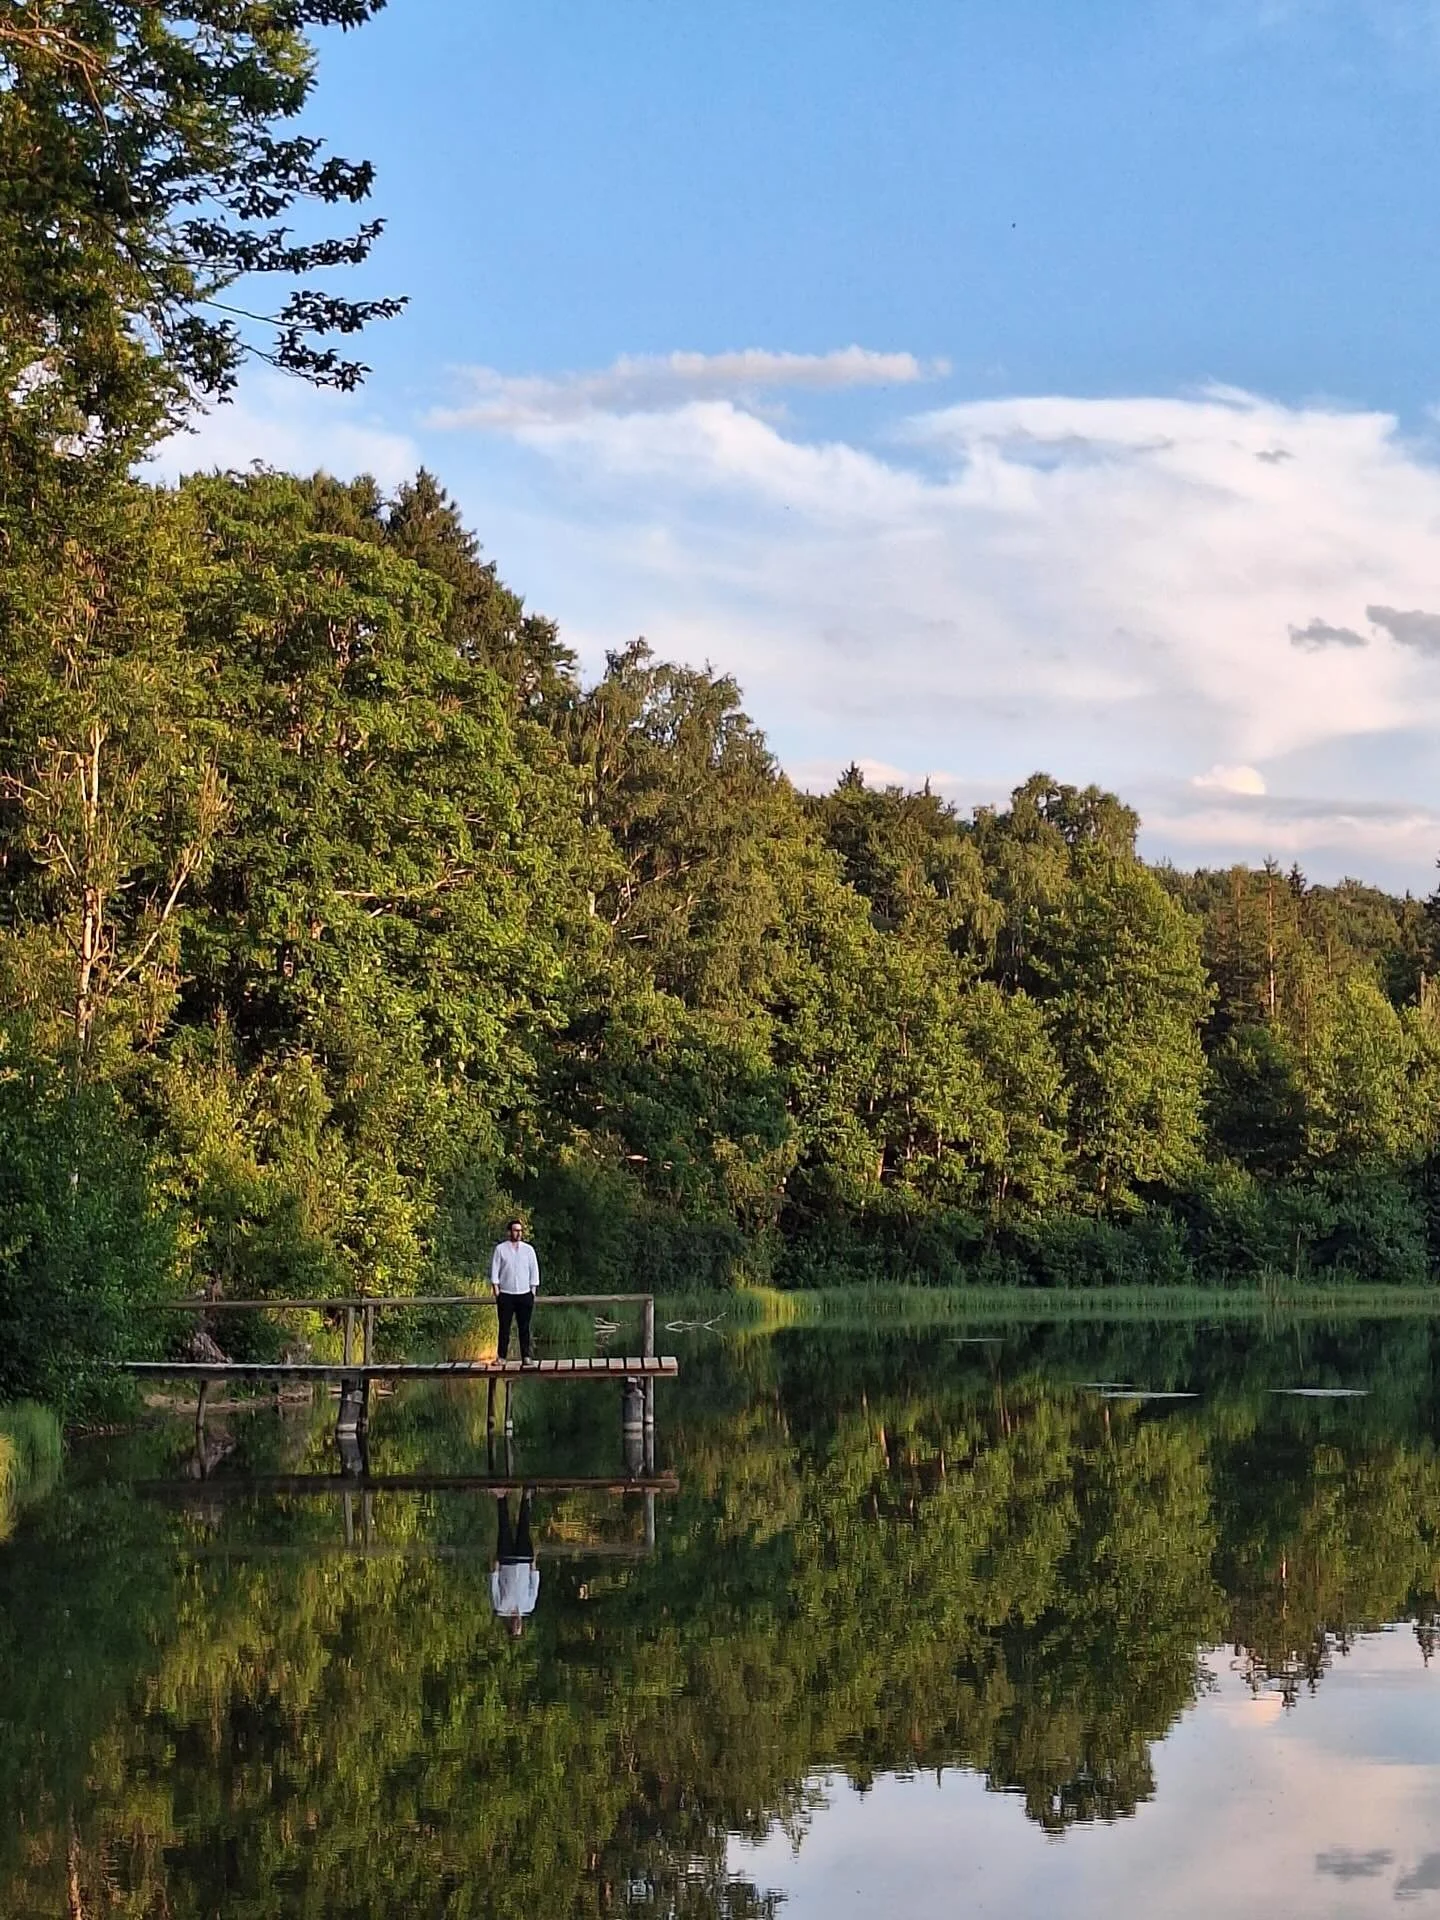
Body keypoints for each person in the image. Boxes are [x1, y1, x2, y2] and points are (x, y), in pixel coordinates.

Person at [490, 1217, 540, 1363]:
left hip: (524, 1294)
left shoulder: (528, 1250)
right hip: (506, 1294)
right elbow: (495, 1270)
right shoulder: (501, 1249)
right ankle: (502, 1356)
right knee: (504, 1327)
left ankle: (526, 1356)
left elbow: (534, 1270)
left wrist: (533, 1290)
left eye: (520, 1231)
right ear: (509, 1232)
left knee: (524, 1327)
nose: (518, 1233)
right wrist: (496, 1290)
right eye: (515, 1230)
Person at [492, 1489, 539, 1635]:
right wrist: (534, 1566)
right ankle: (526, 1497)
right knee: (523, 1527)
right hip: (524, 1562)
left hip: (506, 1563)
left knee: (504, 1528)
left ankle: (501, 1496)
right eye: (519, 1626)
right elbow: (534, 1586)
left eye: (515, 1625)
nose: (517, 1622)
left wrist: (495, 1570)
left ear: (510, 1624)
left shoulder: (501, 1607)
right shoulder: (528, 1607)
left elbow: (495, 1588)